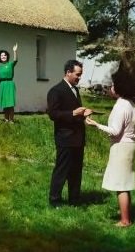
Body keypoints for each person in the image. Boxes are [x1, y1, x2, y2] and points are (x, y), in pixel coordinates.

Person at [86, 67, 135, 227]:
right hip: (130, 145)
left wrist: (95, 124)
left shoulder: (120, 106)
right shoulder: (131, 104)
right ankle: (126, 217)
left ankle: (125, 220)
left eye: (113, 85)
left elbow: (115, 131)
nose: (111, 88)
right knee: (125, 184)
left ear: (120, 88)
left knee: (121, 185)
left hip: (121, 147)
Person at [47, 59, 93, 207]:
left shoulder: (75, 89)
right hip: (65, 138)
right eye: (77, 74)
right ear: (68, 72)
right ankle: (55, 200)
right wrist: (73, 113)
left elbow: (74, 110)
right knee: (62, 170)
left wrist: (84, 113)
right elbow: (53, 114)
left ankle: (74, 199)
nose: (79, 78)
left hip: (78, 137)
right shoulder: (56, 91)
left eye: (80, 75)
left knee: (76, 170)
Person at [0, 44, 18, 123]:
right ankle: (6, 119)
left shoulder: (10, 64)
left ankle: (11, 120)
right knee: (5, 103)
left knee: (10, 103)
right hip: (1, 85)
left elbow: (15, 60)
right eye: (2, 55)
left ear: (7, 56)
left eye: (4, 55)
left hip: (9, 84)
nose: (3, 56)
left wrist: (15, 51)